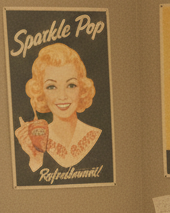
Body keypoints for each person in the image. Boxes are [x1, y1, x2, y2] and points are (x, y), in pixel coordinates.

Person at [14, 42, 111, 180]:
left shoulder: (103, 141)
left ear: (82, 88)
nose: (62, 96)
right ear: (41, 92)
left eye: (71, 85)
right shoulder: (34, 144)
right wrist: (36, 160)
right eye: (52, 87)